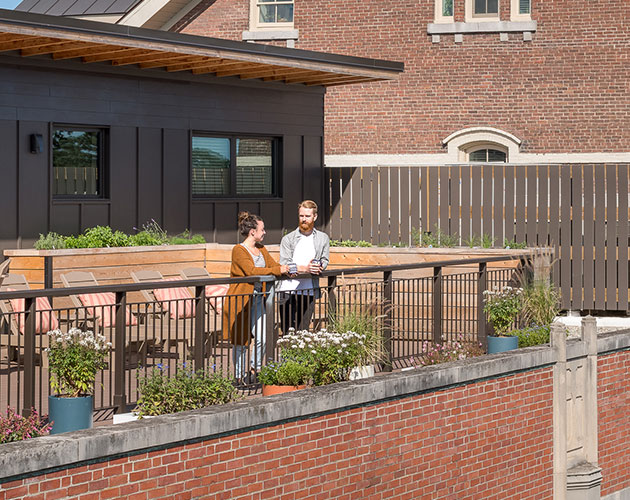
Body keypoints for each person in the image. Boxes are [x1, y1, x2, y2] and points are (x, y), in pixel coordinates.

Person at [222, 212, 289, 383]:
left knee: (262, 337)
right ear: (252, 231)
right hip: (241, 301)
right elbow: (251, 272)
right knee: (241, 341)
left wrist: (288, 269)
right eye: (262, 229)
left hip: (259, 299)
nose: (265, 232)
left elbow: (274, 266)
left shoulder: (261, 249)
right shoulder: (239, 250)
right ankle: (238, 377)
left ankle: (254, 370)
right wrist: (277, 270)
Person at [279, 200, 330, 332]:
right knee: (287, 331)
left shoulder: (322, 238)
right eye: (301, 216)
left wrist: (318, 266)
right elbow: (285, 263)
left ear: (315, 217)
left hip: (309, 289)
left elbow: (324, 260)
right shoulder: (288, 239)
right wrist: (305, 268)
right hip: (287, 289)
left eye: (307, 216)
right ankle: (287, 354)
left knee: (303, 331)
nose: (304, 219)